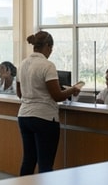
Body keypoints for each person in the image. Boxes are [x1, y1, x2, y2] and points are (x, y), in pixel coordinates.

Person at [18, 31, 81, 175]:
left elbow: (19, 93)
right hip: (44, 118)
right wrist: (73, 90)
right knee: (45, 164)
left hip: (24, 116)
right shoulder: (47, 65)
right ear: (47, 46)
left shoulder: (22, 64)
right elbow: (57, 96)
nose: (51, 52)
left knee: (28, 160)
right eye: (51, 48)